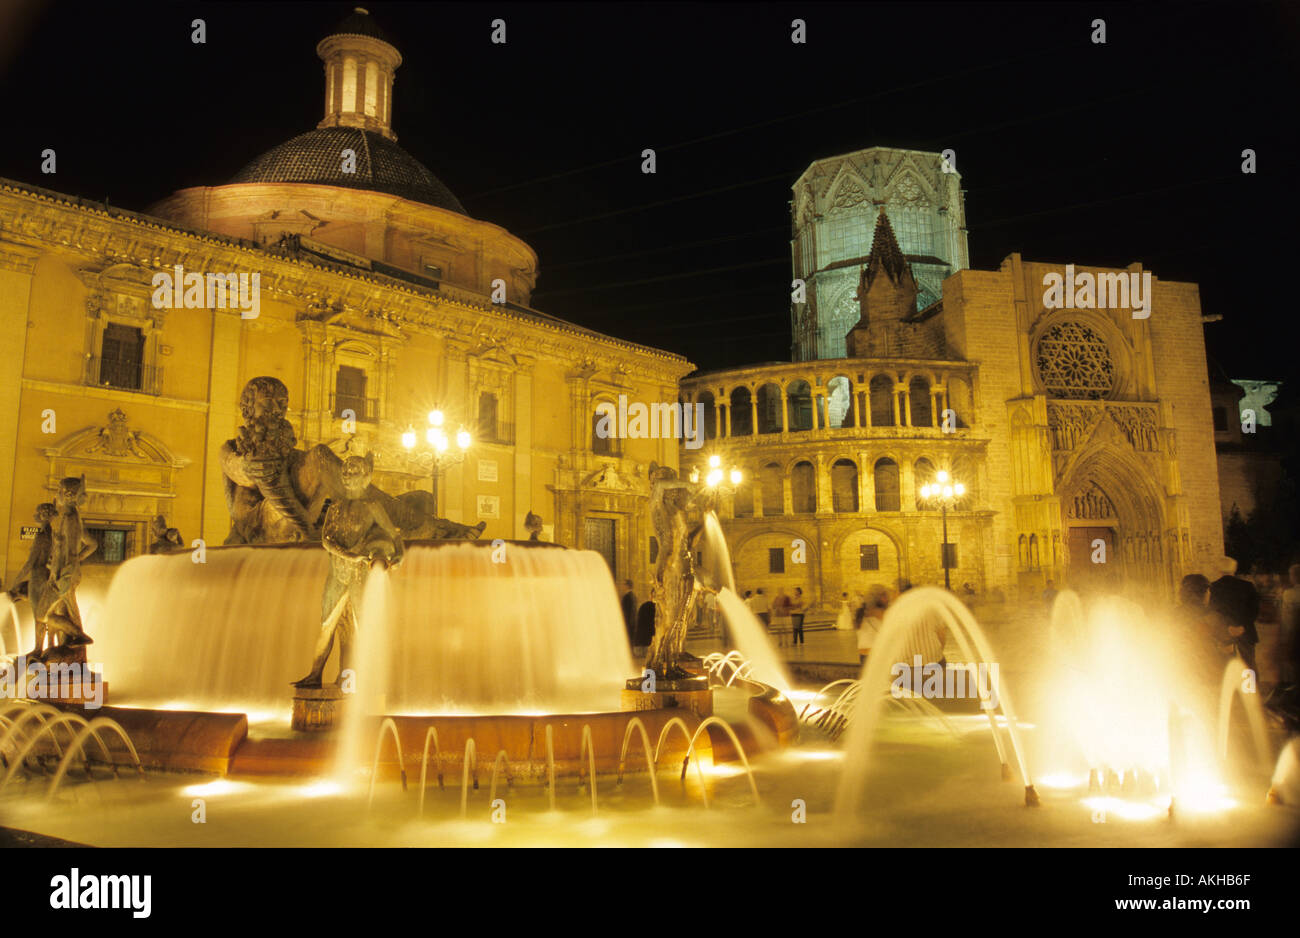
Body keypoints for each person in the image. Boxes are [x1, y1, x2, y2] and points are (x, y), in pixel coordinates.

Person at [1209, 557, 1261, 672]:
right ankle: (1249, 688)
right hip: (1246, 632)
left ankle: (1231, 689)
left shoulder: (1213, 588)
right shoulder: (1247, 586)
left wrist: (1228, 627)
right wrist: (1243, 626)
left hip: (1224, 633)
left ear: (1219, 569)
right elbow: (1254, 610)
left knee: (1227, 664)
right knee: (1248, 664)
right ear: (1234, 569)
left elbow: (1214, 611)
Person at [857, 585, 889, 666]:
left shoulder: (862, 611)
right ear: (878, 598)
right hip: (875, 653)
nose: (887, 598)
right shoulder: (878, 612)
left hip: (863, 652)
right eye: (884, 595)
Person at [620, 579, 637, 649]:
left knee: (627, 638)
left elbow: (626, 611)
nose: (622, 586)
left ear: (627, 586)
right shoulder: (633, 596)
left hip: (627, 622)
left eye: (624, 584)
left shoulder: (627, 597)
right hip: (631, 622)